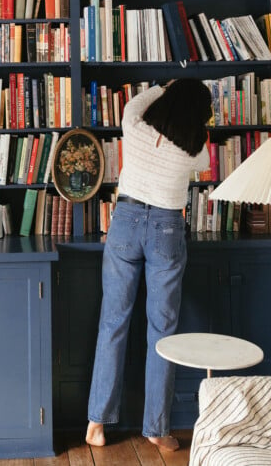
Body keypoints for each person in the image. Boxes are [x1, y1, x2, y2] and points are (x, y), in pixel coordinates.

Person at [86, 78, 212, 452]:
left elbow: (135, 104)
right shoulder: (194, 150)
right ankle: (157, 428)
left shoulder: (133, 126)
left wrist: (164, 86)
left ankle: (96, 424)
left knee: (113, 323)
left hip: (125, 219)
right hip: (166, 228)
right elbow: (204, 161)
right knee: (162, 331)